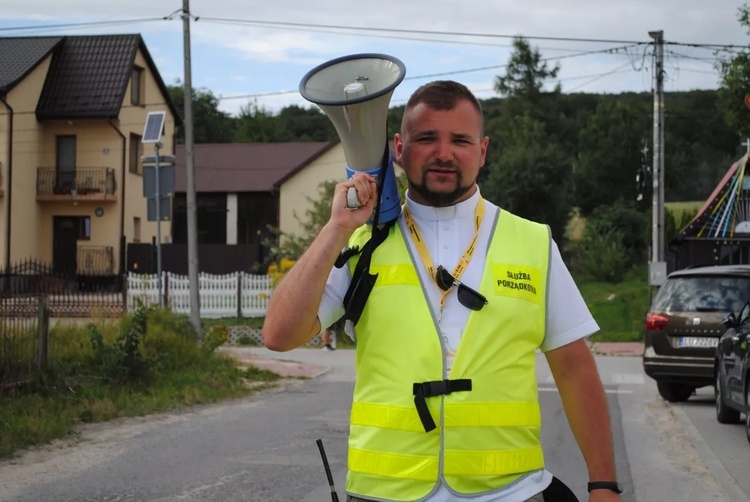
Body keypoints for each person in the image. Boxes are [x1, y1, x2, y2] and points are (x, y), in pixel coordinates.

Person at [263, 80, 623, 502]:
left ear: (483, 150)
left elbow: (574, 369)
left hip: (509, 492)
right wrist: (337, 228)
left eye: (460, 140)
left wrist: (604, 485)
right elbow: (279, 335)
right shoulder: (360, 243)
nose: (443, 153)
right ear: (398, 147)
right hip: (386, 492)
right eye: (426, 138)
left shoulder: (533, 243)